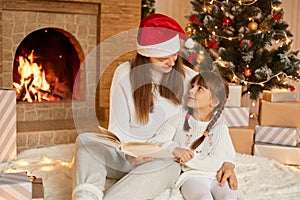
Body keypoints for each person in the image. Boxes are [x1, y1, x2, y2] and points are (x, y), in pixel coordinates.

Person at [72, 13, 237, 200]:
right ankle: (85, 197)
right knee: (86, 141)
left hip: (165, 160)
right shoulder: (124, 74)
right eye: (163, 58)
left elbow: (215, 120)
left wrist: (228, 162)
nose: (171, 62)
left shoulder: (190, 78)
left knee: (164, 166)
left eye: (174, 55)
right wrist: (130, 156)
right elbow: (117, 131)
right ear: (146, 55)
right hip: (127, 158)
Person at [149, 72, 237, 199]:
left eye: (199, 89)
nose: (191, 91)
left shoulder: (220, 128)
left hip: (216, 176)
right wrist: (174, 149)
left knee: (229, 197)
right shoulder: (178, 120)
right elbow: (156, 141)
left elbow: (216, 162)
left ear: (214, 101)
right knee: (203, 198)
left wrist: (187, 159)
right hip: (191, 177)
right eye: (192, 86)